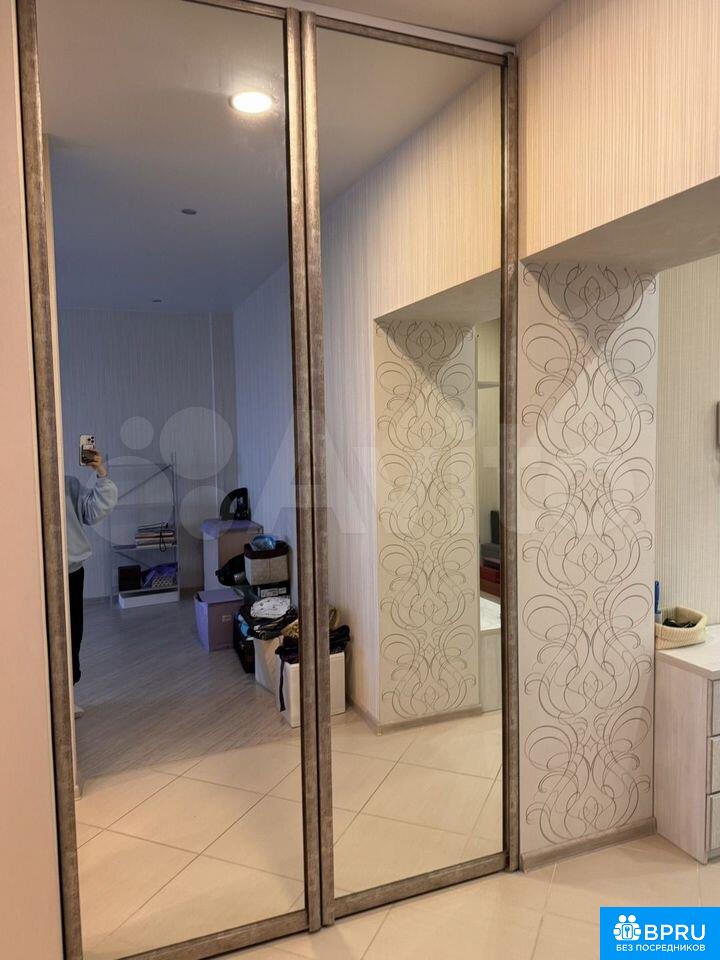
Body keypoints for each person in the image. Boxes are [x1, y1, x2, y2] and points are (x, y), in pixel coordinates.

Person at [65, 449, 117, 717]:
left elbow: (94, 512)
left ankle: (67, 695)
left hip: (71, 570)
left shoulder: (68, 484)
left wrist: (101, 473)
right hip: (31, 575)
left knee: (72, 634)